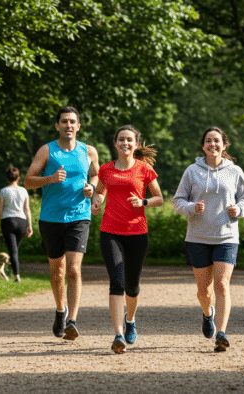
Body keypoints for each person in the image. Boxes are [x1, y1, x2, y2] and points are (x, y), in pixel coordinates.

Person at [172, 126, 244, 352]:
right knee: (204, 291)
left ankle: (221, 334)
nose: (212, 144)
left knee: (222, 284)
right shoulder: (192, 171)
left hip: (226, 236)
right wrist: (192, 207)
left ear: (224, 145)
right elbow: (178, 201)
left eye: (217, 140)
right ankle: (208, 314)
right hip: (197, 237)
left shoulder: (234, 171)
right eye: (208, 140)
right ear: (203, 146)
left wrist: (239, 209)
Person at [24, 106, 99, 341]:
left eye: (72, 122)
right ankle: (60, 310)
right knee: (57, 272)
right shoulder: (47, 150)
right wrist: (50, 178)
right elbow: (28, 181)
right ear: (57, 126)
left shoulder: (88, 151)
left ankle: (72, 321)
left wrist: (92, 188)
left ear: (78, 126)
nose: (68, 125)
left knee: (74, 270)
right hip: (51, 218)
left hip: (79, 216)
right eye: (64, 121)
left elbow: (97, 175)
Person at [91, 125, 164, 354]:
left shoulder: (144, 169)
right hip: (110, 231)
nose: (125, 143)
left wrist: (143, 202)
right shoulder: (105, 169)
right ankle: (118, 334)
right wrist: (96, 202)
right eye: (121, 139)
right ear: (115, 143)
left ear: (136, 144)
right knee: (117, 282)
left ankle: (130, 320)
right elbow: (100, 191)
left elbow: (160, 198)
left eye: (129, 140)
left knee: (132, 286)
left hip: (137, 233)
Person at [0, 165, 33, 282]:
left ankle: (16, 276)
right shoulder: (24, 191)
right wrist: (29, 226)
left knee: (13, 251)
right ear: (18, 178)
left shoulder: (3, 191)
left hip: (8, 221)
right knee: (14, 249)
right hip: (21, 222)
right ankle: (10, 271)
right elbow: (27, 209)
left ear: (7, 178)